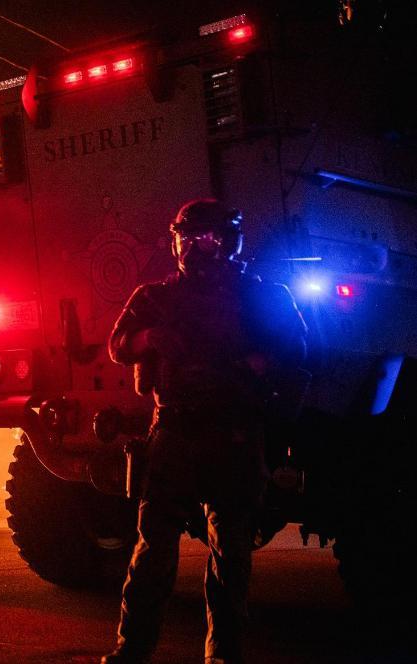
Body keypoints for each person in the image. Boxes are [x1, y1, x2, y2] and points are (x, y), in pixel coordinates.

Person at [102, 200, 308, 664]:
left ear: (230, 243)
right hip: (174, 433)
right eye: (188, 240)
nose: (197, 250)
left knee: (232, 557)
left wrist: (256, 372)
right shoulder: (154, 298)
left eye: (209, 240)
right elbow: (117, 346)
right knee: (153, 553)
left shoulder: (265, 297)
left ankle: (223, 655)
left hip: (234, 437)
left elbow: (297, 359)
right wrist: (149, 339)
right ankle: (131, 651)